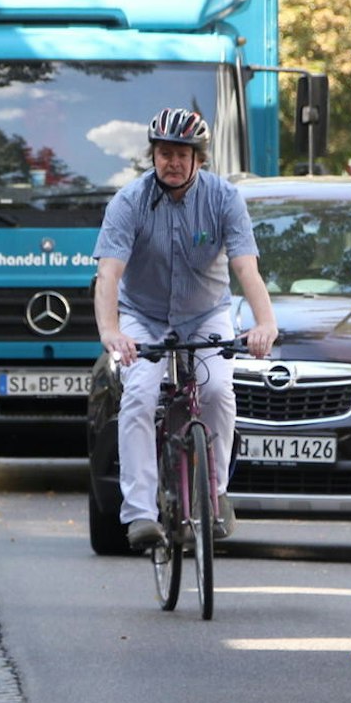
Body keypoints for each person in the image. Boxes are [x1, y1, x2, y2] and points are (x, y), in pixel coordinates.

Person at [93, 108, 279, 551]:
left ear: (199, 158)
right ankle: (139, 513)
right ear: (152, 156)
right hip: (143, 313)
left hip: (205, 312)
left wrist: (264, 322)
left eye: (181, 154)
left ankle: (214, 495)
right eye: (163, 154)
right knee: (138, 394)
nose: (171, 163)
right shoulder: (129, 201)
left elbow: (245, 268)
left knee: (218, 391)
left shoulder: (224, 198)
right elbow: (109, 276)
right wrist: (111, 332)